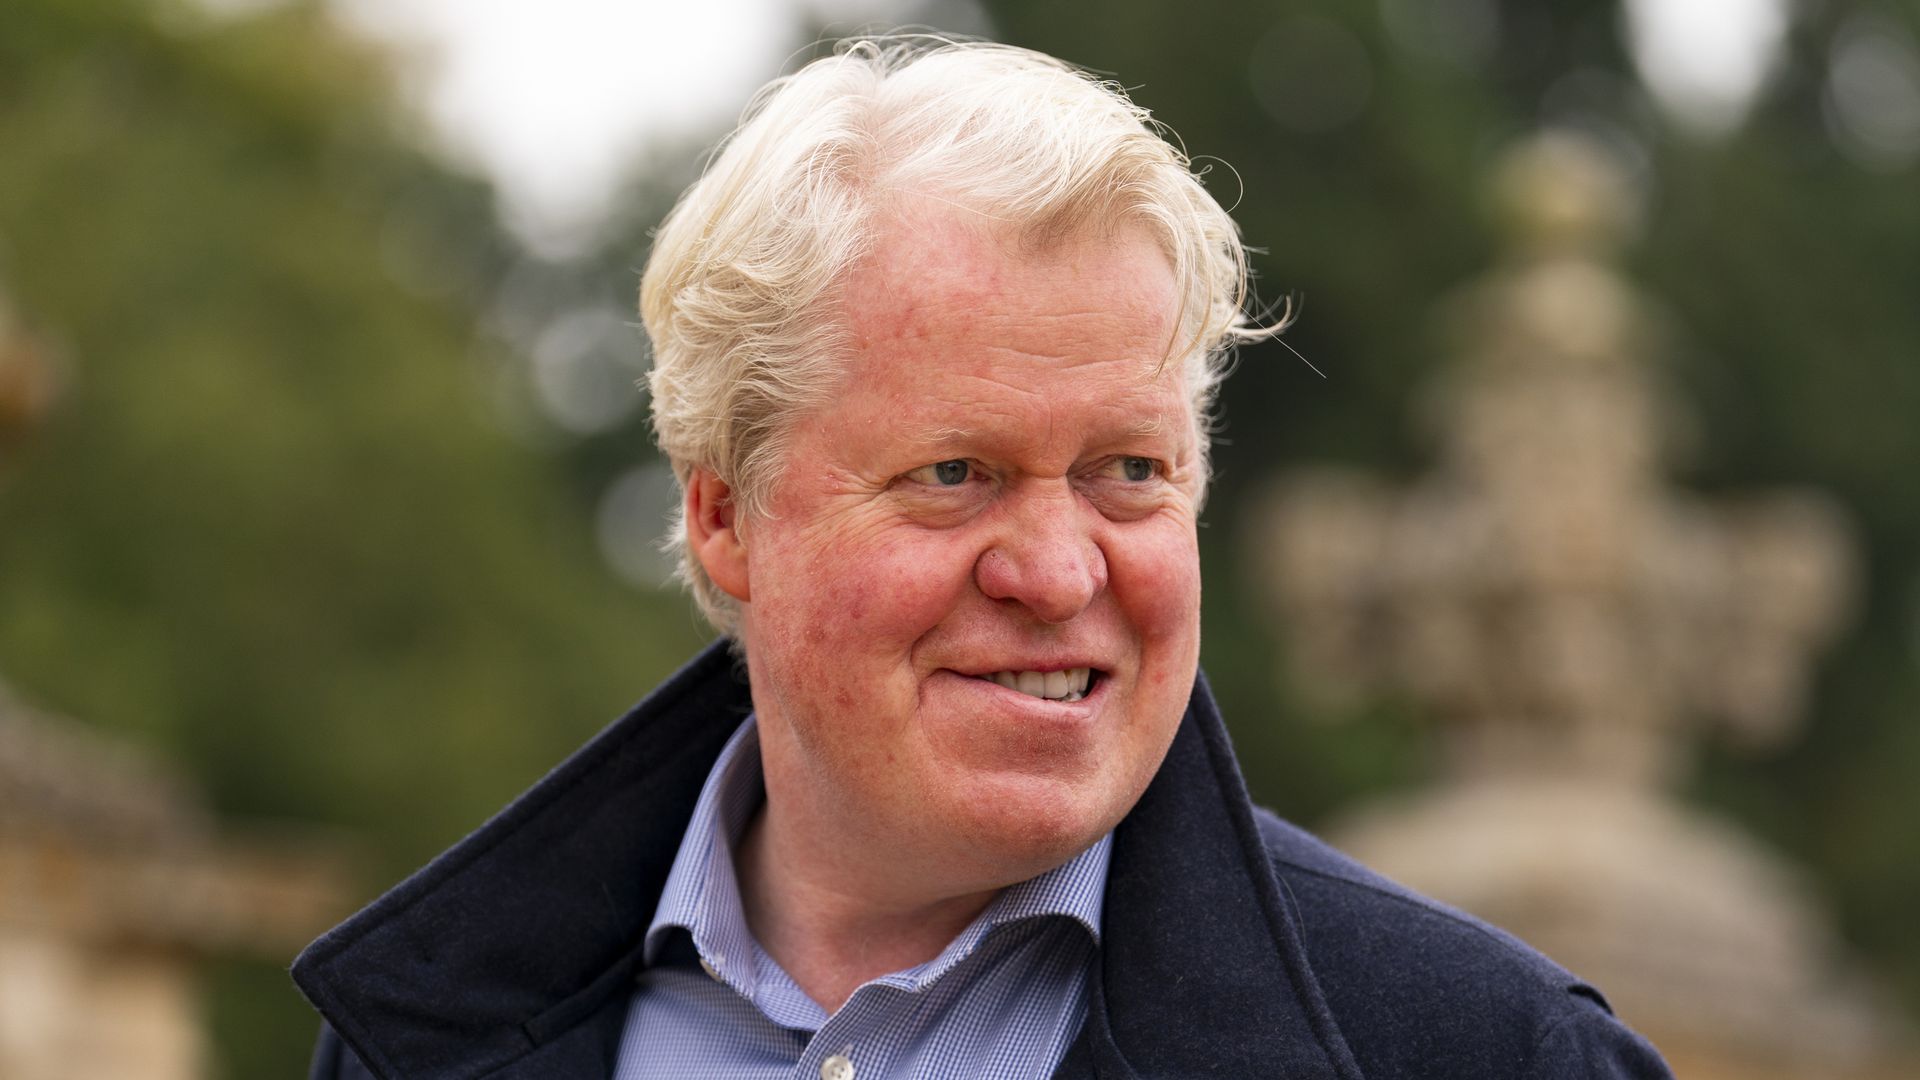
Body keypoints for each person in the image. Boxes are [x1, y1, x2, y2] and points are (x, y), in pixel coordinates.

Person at [293, 38, 1673, 1079]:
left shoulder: (1489, 1058)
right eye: (955, 476)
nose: (1061, 574)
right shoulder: (424, 1036)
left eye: (1128, 473)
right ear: (725, 517)